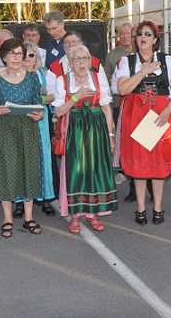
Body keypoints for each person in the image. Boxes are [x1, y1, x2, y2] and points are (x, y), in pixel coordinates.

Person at [116, 20, 171, 225]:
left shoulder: (166, 61)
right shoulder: (126, 62)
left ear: (155, 39)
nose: (143, 37)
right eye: (140, 34)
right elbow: (123, 90)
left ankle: (158, 208)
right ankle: (140, 208)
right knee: (139, 166)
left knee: (158, 163)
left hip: (159, 115)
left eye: (147, 34)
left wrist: (168, 109)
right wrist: (143, 72)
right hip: (135, 116)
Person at [0, 38, 45, 238]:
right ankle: (7, 218)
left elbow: (38, 105)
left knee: (29, 169)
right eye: (13, 54)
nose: (17, 58)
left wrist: (40, 114)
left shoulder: (32, 78)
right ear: (4, 57)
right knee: (6, 172)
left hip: (27, 129)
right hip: (4, 130)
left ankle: (28, 217)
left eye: (20, 54)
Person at [54, 45, 118, 233]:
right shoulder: (62, 81)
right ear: (70, 63)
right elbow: (58, 111)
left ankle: (92, 212)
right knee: (75, 170)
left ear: (90, 61)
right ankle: (75, 213)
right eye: (77, 59)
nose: (81, 62)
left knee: (94, 169)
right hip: (75, 129)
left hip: (97, 130)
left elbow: (106, 108)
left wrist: (111, 135)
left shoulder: (98, 78)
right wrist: (76, 98)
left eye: (85, 58)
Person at [12, 42, 55, 218]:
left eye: (31, 55)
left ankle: (44, 198)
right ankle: (20, 201)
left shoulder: (45, 74)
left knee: (42, 158)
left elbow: (54, 96)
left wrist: (36, 99)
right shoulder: (12, 75)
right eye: (23, 55)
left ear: (36, 57)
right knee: (20, 158)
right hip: (19, 119)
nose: (27, 59)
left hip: (40, 119)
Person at [105, 22, 135, 202]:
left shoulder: (140, 53)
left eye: (127, 33)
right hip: (118, 105)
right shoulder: (112, 55)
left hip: (138, 105)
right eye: (121, 34)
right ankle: (125, 177)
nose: (124, 36)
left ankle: (140, 182)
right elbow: (107, 78)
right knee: (121, 143)